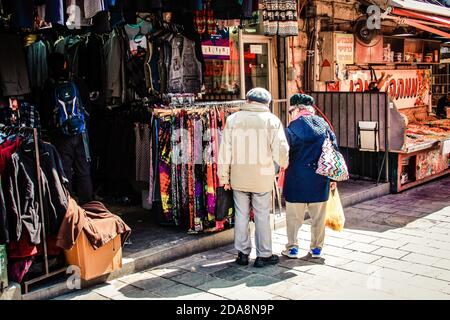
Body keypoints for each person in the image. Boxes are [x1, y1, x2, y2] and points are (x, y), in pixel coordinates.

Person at [218, 87, 289, 267]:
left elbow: (224, 151)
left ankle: (242, 254)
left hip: (239, 177)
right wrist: (283, 164)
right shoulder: (272, 121)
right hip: (263, 177)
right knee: (262, 215)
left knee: (241, 215)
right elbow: (281, 150)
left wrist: (224, 178)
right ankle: (264, 255)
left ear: (248, 101)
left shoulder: (233, 120)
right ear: (266, 103)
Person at [282, 93, 337, 259]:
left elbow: (284, 153)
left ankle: (292, 248)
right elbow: (333, 152)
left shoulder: (291, 128)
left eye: (291, 111)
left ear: (297, 109)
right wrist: (333, 178)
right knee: (318, 218)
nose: (291, 114)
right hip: (320, 177)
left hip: (296, 178)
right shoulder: (324, 125)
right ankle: (317, 249)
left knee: (293, 218)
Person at [40, 52, 93, 204]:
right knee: (83, 170)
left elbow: (45, 112)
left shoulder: (49, 86)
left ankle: (69, 207)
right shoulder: (77, 82)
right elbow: (87, 107)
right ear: (65, 64)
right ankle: (89, 206)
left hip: (61, 135)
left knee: (64, 171)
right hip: (81, 132)